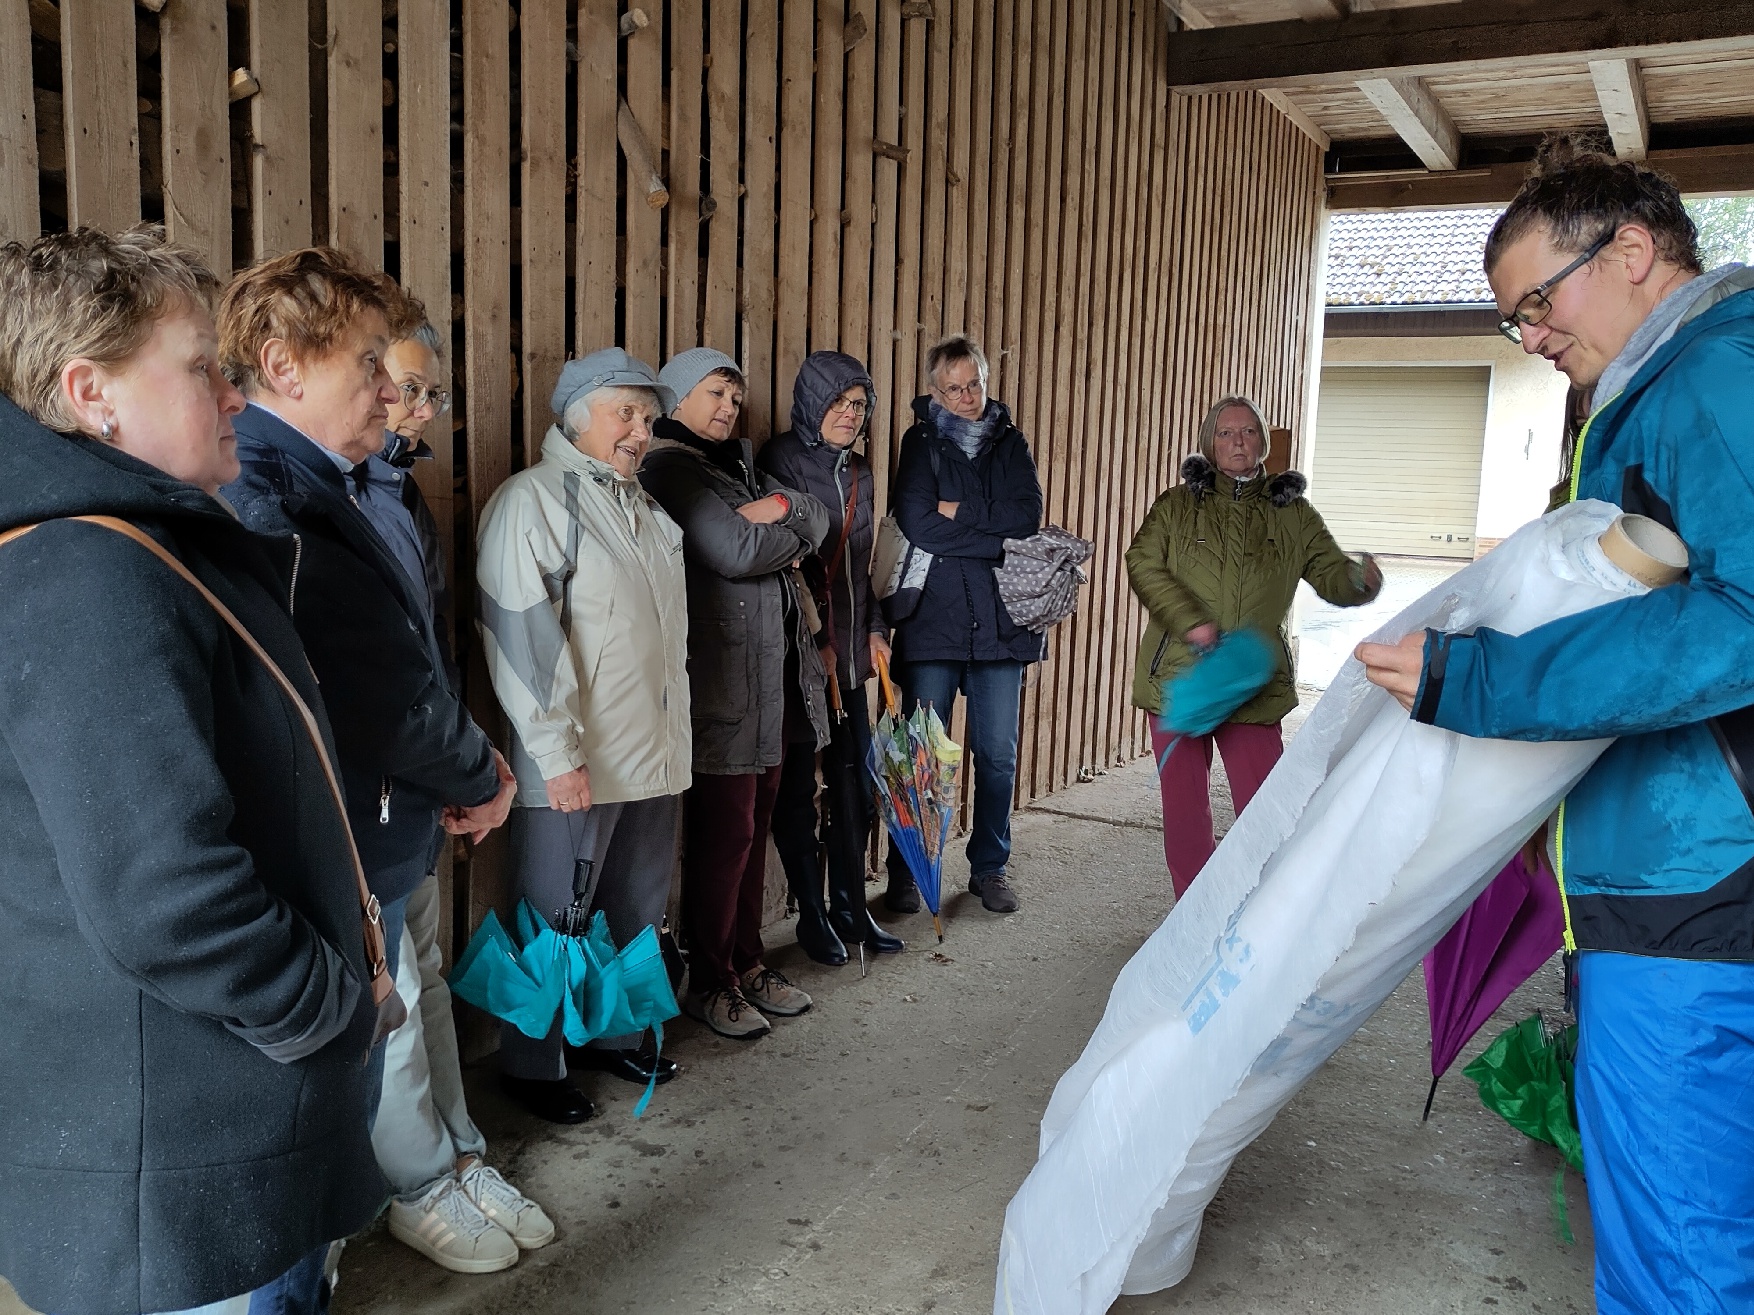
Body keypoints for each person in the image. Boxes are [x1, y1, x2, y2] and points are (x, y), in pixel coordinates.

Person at [1356, 138, 1754, 1315]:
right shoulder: (1664, 387)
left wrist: (1479, 680)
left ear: (1632, 251)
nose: (1527, 338)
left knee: (1677, 1256)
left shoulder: (1709, 381)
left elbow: (1734, 619)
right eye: (1509, 321)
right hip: (1673, 861)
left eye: (1536, 302)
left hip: (1692, 882)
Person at [0, 227, 389, 1314]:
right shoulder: (88, 572)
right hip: (178, 1172)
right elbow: (165, 897)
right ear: (92, 394)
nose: (231, 393)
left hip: (200, 1133)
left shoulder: (131, 546)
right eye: (201, 366)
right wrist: (331, 1006)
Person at [217, 248, 528, 1270]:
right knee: (359, 1034)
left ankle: (422, 1171)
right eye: (367, 365)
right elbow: (374, 687)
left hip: (382, 810)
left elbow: (406, 654)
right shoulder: (274, 499)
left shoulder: (332, 484)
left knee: (402, 1000)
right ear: (285, 365)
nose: (391, 393)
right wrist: (481, 774)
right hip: (343, 821)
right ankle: (371, 1208)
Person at [364, 318, 554, 1272]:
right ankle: (412, 1181)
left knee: (426, 970)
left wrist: (457, 762)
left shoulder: (394, 487)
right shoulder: (317, 493)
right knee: (389, 986)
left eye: (429, 392)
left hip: (420, 780)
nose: (417, 407)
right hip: (366, 794)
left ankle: (458, 1149)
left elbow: (424, 654)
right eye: (402, 387)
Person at [477, 349, 691, 1111]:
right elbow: (523, 642)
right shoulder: (533, 502)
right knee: (552, 917)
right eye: (624, 413)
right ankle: (532, 1064)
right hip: (577, 763)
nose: (641, 430)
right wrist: (557, 754)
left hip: (650, 758)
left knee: (632, 909)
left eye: (648, 416)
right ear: (576, 417)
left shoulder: (647, 510)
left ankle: (614, 1038)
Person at [641, 347, 831, 1039]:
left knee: (755, 836)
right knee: (725, 839)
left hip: (772, 686)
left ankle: (747, 965)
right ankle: (710, 979)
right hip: (721, 685)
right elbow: (734, 552)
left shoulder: (739, 468)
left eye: (735, 397)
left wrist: (776, 505)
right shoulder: (668, 467)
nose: (728, 407)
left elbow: (817, 516)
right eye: (715, 393)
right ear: (677, 398)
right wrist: (786, 527)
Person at [1125, 396, 1381, 897]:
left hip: (1253, 684)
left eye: (1247, 432)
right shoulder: (1177, 506)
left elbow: (1329, 572)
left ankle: (1263, 912)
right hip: (1181, 677)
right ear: (1209, 443)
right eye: (1225, 433)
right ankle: (1193, 917)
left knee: (1265, 807)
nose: (1237, 441)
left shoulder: (1293, 514)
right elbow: (1142, 563)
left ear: (1263, 442)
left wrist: (1359, 581)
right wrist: (1191, 622)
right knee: (1185, 812)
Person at [884, 333, 1043, 916]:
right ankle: (909, 868)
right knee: (921, 757)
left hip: (1002, 629)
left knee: (997, 756)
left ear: (984, 378)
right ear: (934, 391)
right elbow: (919, 525)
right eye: (952, 389)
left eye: (973, 384)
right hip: (933, 627)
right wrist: (990, 536)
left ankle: (990, 867)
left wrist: (962, 515)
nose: (966, 397)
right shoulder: (920, 442)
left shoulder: (1009, 441)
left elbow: (1026, 519)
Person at [758, 350, 905, 965]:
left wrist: (871, 631)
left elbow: (864, 564)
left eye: (858, 407)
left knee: (854, 789)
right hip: (801, 655)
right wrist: (813, 644)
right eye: (838, 404)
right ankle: (812, 918)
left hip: (847, 655)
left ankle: (852, 909)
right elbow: (784, 560)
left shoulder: (862, 473)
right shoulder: (779, 461)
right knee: (797, 791)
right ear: (812, 404)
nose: (848, 416)